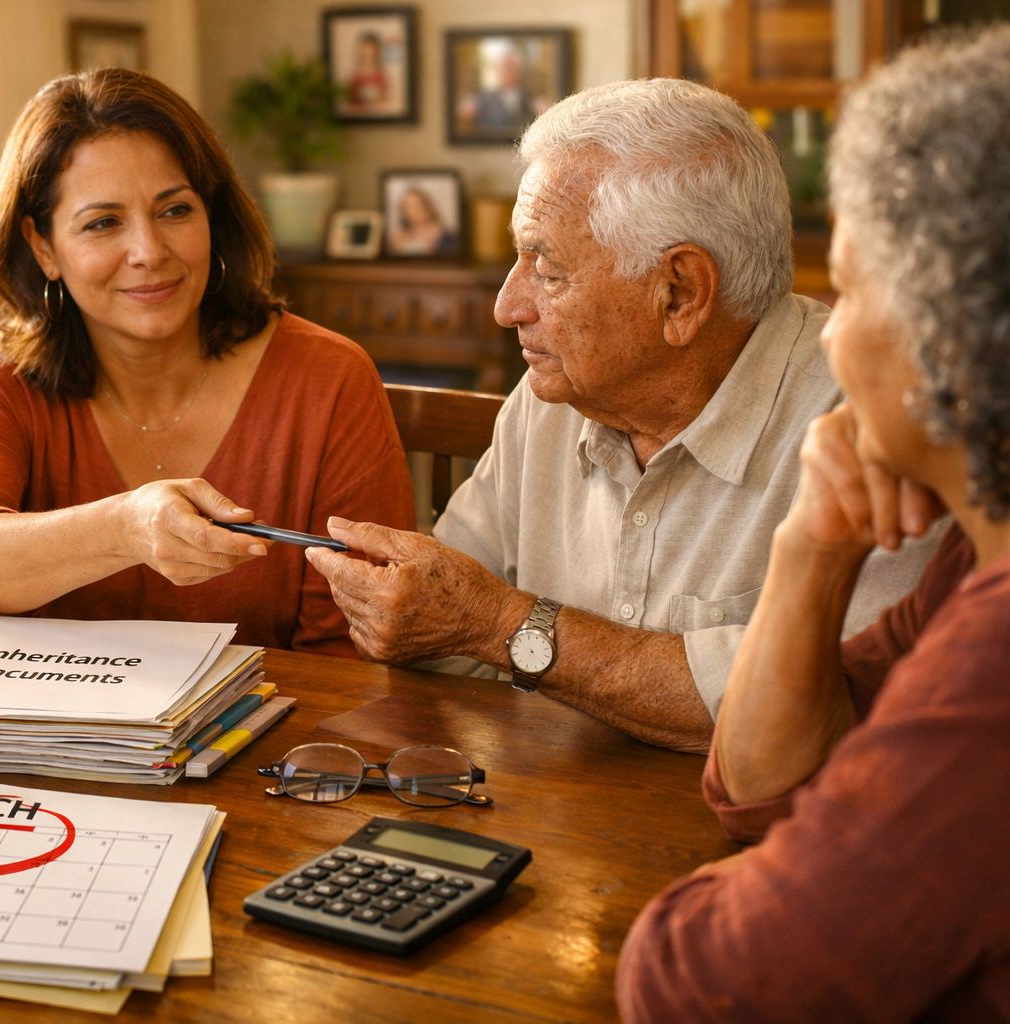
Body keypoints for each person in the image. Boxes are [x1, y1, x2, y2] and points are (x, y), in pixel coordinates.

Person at [307, 78, 936, 750]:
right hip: (549, 820)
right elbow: (442, 627)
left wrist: (506, 629)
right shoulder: (554, 395)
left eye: (546, 269)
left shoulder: (881, 423)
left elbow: (833, 711)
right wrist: (403, 612)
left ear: (679, 293)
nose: (507, 307)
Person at [618, 27, 1010, 1019]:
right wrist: (809, 548)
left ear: (946, 326)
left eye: (847, 285)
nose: (828, 326)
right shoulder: (973, 551)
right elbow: (759, 788)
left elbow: (700, 982)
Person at [0, 68, 414, 656]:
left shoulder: (328, 378)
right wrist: (126, 528)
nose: (149, 252)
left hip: (270, 740)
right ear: (43, 246)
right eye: (103, 223)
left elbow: (357, 646)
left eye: (174, 211)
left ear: (211, 216)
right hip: (54, 741)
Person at [389, 186, 456, 257]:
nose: (411, 211)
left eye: (416, 205)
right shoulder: (400, 236)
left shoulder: (445, 236)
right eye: (407, 207)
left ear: (427, 207)